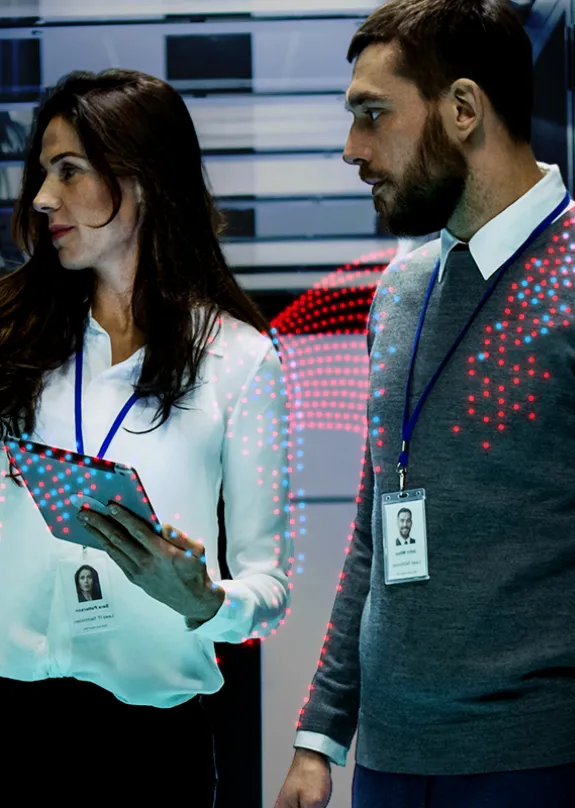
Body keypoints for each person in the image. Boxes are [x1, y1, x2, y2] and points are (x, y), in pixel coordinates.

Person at [276, 1, 575, 807]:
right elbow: (377, 531)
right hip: (389, 757)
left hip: (534, 759)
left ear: (463, 109)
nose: (352, 150)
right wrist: (319, 734)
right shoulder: (402, 289)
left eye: (372, 116)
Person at [0, 68, 291, 803]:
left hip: (153, 748)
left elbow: (269, 583)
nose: (42, 198)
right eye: (42, 173)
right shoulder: (9, 338)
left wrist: (200, 600)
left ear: (143, 180)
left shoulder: (240, 360)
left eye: (69, 171)